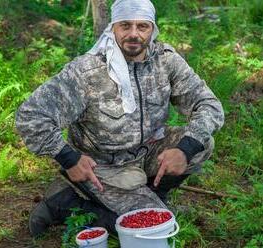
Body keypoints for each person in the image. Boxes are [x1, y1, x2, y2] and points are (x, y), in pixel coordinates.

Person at [15, 0, 224, 238]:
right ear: (113, 27)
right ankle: (64, 204)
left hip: (147, 152)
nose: (134, 34)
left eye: (142, 26)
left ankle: (155, 197)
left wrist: (185, 149)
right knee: (153, 229)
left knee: (201, 143)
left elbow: (208, 105)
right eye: (125, 25)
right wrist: (69, 158)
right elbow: (30, 116)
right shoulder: (87, 72)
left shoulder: (165, 60)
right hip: (102, 168)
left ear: (152, 29)